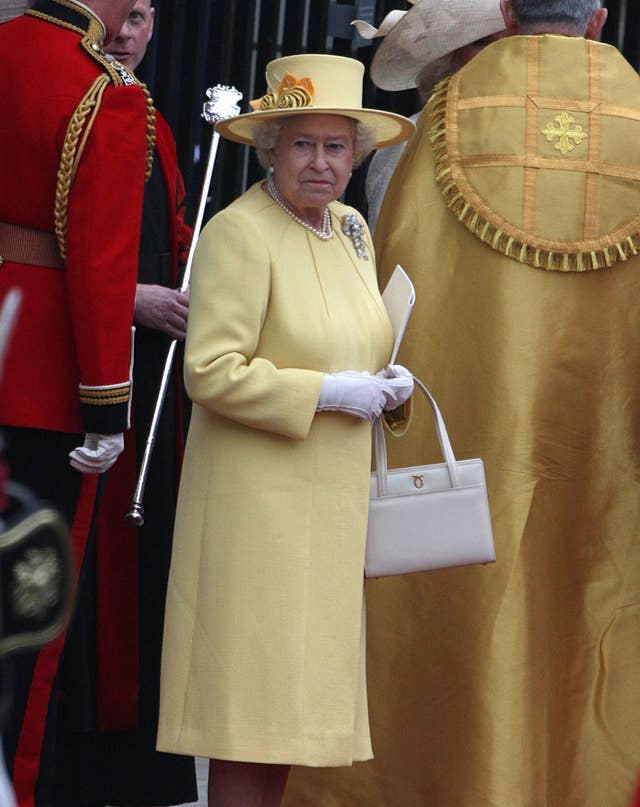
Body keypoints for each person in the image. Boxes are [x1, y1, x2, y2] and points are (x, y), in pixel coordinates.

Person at [287, 1, 640, 806]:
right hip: (609, 447)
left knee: (462, 620)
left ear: (509, 13)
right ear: (601, 19)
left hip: (462, 456)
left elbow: (389, 284)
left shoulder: (442, 124)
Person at [155, 52, 415, 807]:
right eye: (303, 144)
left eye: (337, 147)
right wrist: (330, 392)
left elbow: (359, 341)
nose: (321, 163)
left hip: (329, 514)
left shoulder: (354, 230)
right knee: (253, 723)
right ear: (271, 148)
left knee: (295, 724)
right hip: (257, 517)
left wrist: (389, 382)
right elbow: (210, 371)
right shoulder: (240, 232)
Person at [0, 1, 155, 804]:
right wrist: (105, 410)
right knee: (21, 628)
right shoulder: (107, 91)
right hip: (42, 385)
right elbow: (99, 266)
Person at [51, 2, 198, 805]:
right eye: (123, 14)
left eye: (145, 17)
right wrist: (130, 299)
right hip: (76, 364)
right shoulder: (72, 101)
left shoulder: (152, 119)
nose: (133, 32)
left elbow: (171, 228)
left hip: (151, 374)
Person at [353, 0, 507, 231]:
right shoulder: (410, 140)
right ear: (449, 55)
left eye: (513, 43)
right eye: (481, 42)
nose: (500, 55)